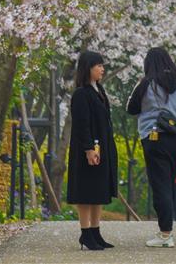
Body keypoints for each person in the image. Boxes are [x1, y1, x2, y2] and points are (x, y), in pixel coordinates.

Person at [127, 47, 176, 248]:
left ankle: (166, 234)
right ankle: (166, 230)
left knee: (160, 185)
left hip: (154, 137)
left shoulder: (147, 83)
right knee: (169, 183)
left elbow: (131, 109)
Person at [66, 50, 118, 251]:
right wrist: (89, 149)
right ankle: (85, 232)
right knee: (86, 191)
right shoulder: (81, 94)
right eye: (98, 66)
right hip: (87, 148)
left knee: (99, 190)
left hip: (102, 146)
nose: (102, 69)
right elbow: (82, 124)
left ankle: (96, 232)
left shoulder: (100, 90)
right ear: (88, 68)